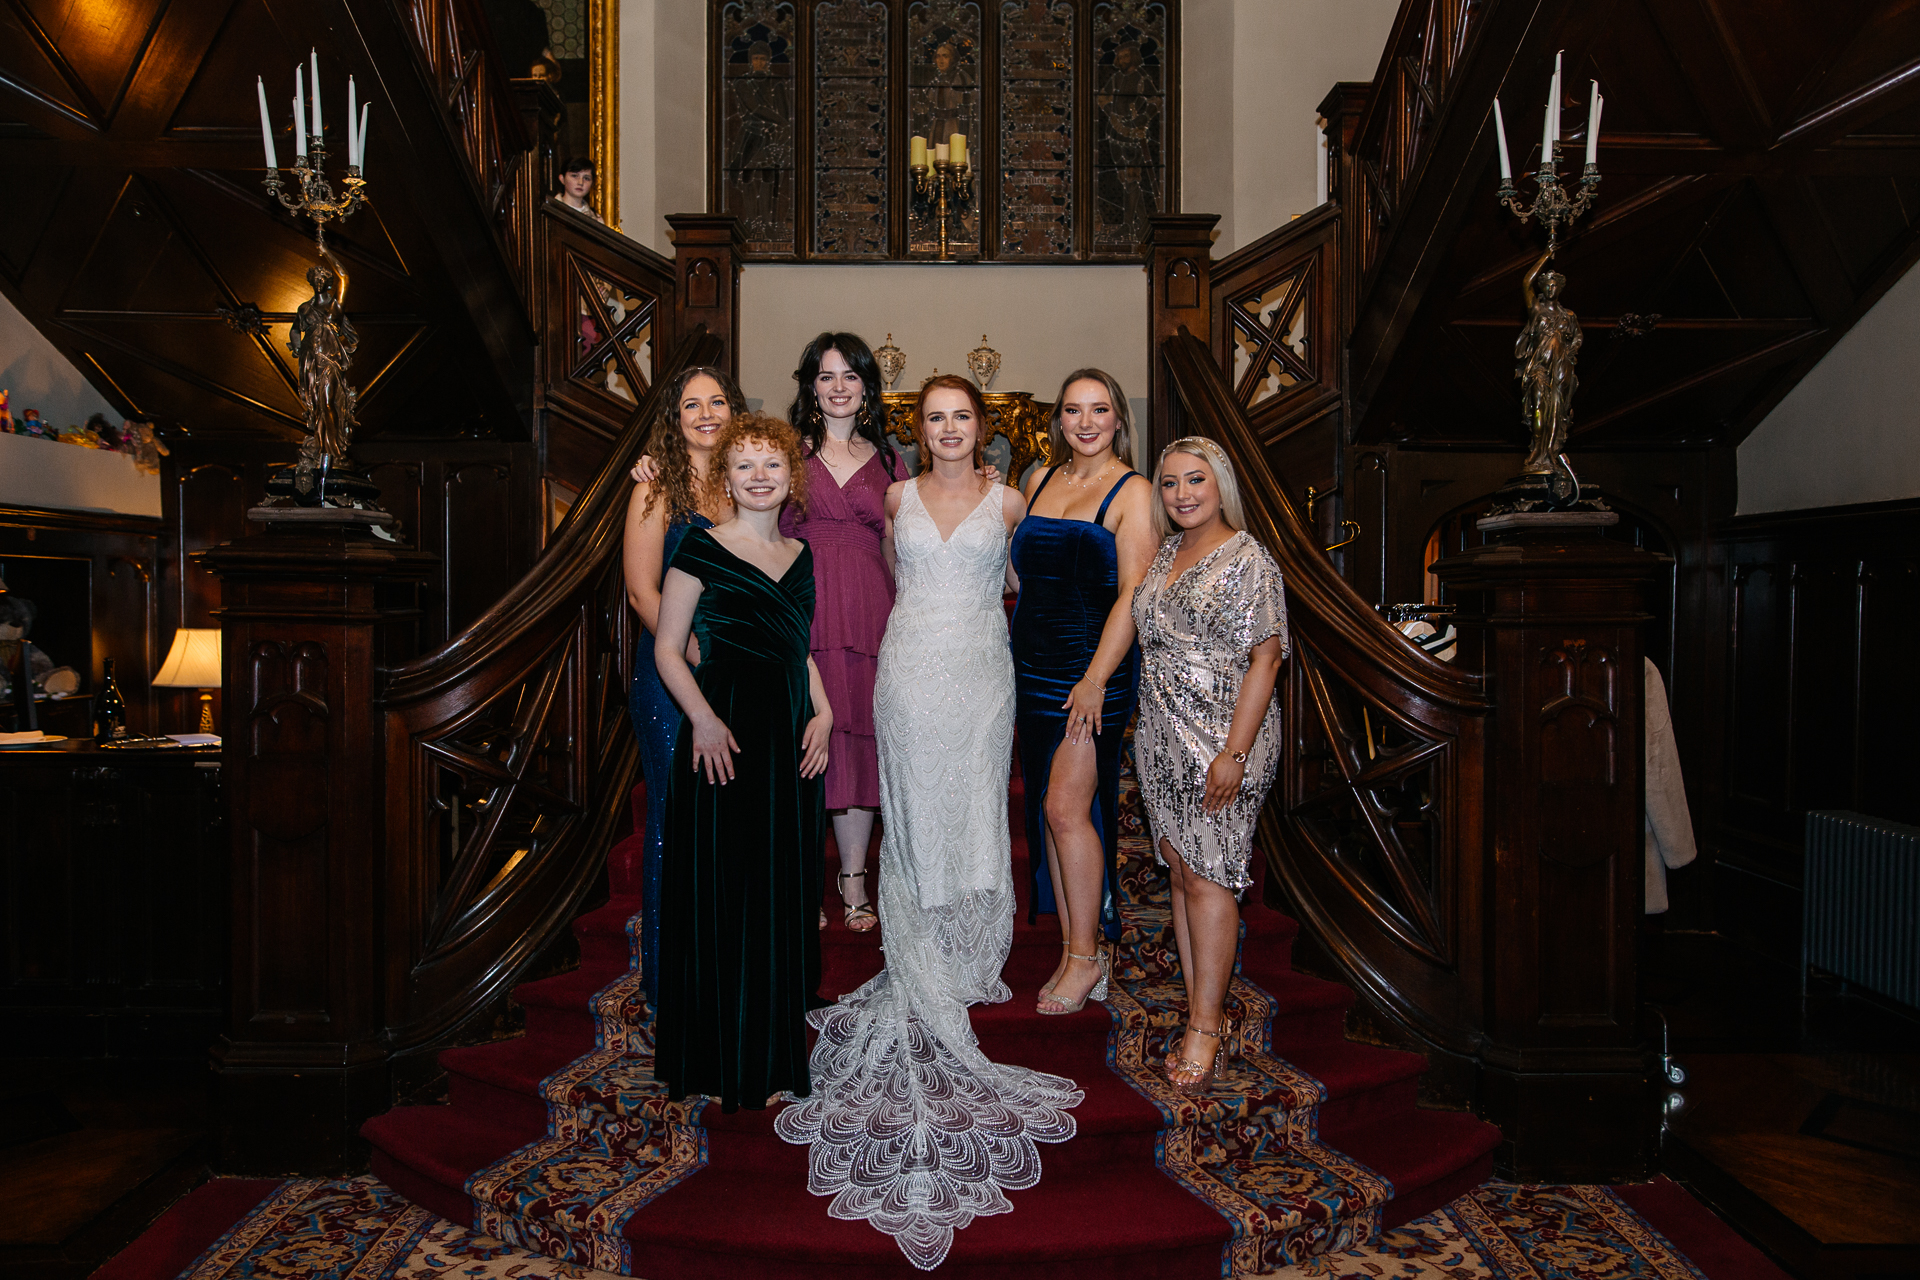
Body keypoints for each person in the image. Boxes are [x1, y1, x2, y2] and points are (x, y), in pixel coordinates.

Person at [775, 375, 1080, 1271]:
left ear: (982, 429)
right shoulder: (898, 495)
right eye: (935, 418)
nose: (948, 430)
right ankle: (917, 940)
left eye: (962, 418)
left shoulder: (1013, 497)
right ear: (921, 430)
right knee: (913, 800)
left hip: (983, 670)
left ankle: (970, 945)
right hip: (909, 670)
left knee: (978, 803)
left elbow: (1021, 579)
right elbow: (897, 580)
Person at [652, 413, 831, 1112]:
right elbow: (668, 648)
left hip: (790, 739)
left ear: (792, 478)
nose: (759, 476)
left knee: (782, 891)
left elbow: (799, 648)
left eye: (772, 465)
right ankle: (719, 1058)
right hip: (720, 738)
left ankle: (774, 1051)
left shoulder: (802, 555)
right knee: (725, 891)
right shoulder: (699, 549)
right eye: (745, 465)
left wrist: (822, 710)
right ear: (724, 478)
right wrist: (700, 719)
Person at [1132, 436, 1288, 1096]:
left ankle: (1204, 1025)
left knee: (1212, 877)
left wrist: (1235, 753)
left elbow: (1267, 658)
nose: (1182, 494)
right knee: (1183, 872)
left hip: (1224, 734)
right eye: (1169, 483)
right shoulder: (1168, 550)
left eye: (1195, 480)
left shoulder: (1249, 557)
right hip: (1162, 733)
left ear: (1220, 482)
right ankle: (1204, 1009)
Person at [1011, 369, 1155, 1017]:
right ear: (1058, 420)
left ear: (1119, 418)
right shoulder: (1037, 480)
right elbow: (1017, 569)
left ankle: (1086, 956)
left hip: (1090, 670)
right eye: (1073, 410)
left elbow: (1134, 593)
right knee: (1048, 808)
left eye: (1099, 410)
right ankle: (1077, 949)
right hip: (1030, 665)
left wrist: (1096, 678)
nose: (1086, 422)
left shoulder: (1134, 492)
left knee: (1069, 809)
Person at [622, 365, 742, 1008]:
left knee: (733, 822)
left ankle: (729, 961)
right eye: (691, 404)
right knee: (680, 820)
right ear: (673, 417)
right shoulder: (654, 487)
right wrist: (692, 653)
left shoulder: (748, 478)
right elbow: (643, 590)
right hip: (672, 676)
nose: (705, 413)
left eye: (717, 401)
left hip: (740, 673)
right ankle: (677, 980)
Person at [781, 333, 900, 931]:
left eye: (849, 376)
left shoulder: (891, 462)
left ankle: (853, 880)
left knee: (858, 747)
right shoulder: (786, 453)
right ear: (810, 385)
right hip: (802, 611)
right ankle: (801, 879)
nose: (837, 388)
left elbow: (903, 545)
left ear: (866, 387)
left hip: (873, 616)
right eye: (826, 376)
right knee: (802, 744)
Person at [553, 156, 604, 223]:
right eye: (574, 176)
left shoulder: (596, 219)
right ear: (562, 179)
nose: (580, 182)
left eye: (586, 178)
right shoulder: (552, 209)